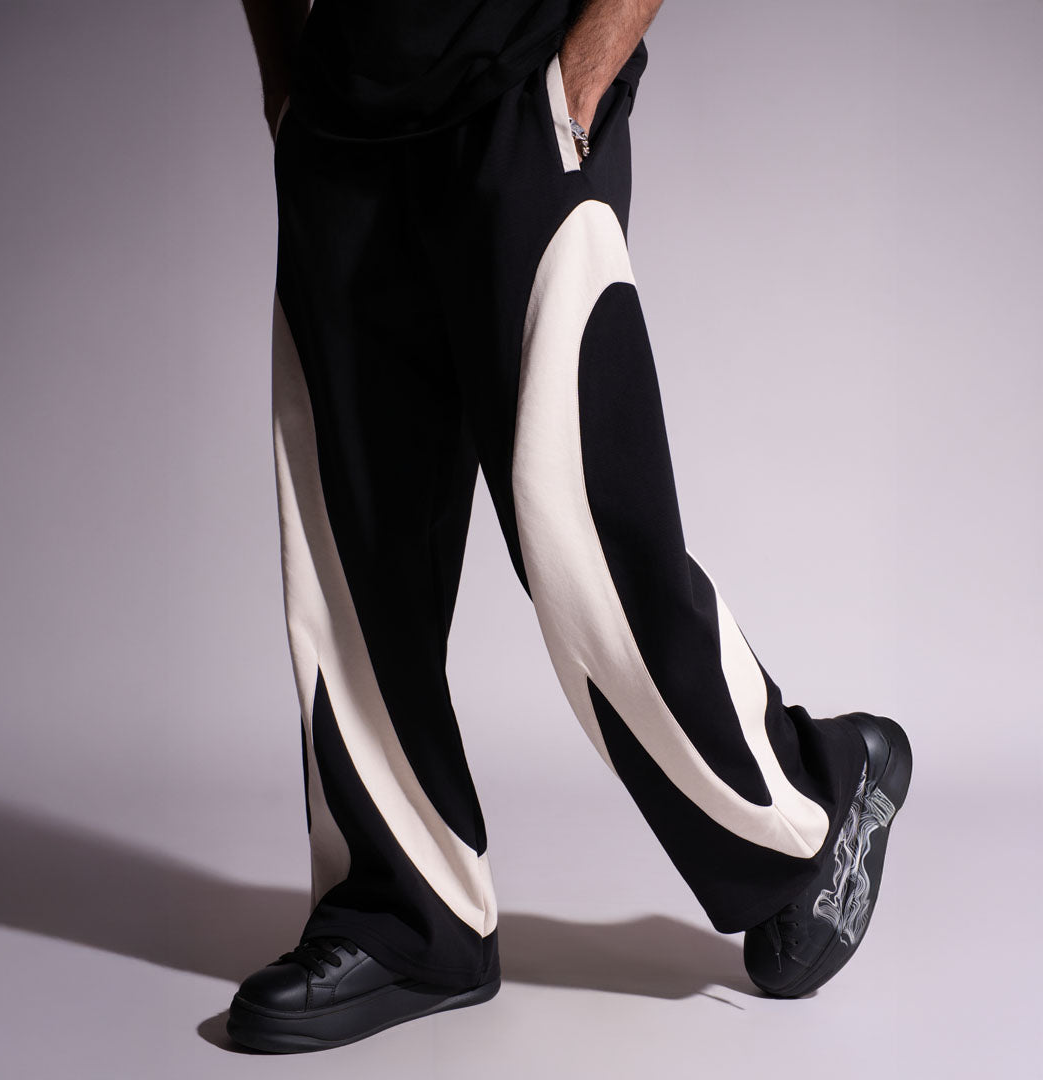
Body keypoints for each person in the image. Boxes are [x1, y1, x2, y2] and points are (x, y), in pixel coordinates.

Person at [228, 0, 913, 1053]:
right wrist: (285, 78)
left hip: (521, 83)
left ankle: (813, 802)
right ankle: (406, 915)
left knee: (580, 535)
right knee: (349, 558)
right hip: (342, 112)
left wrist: (586, 71)